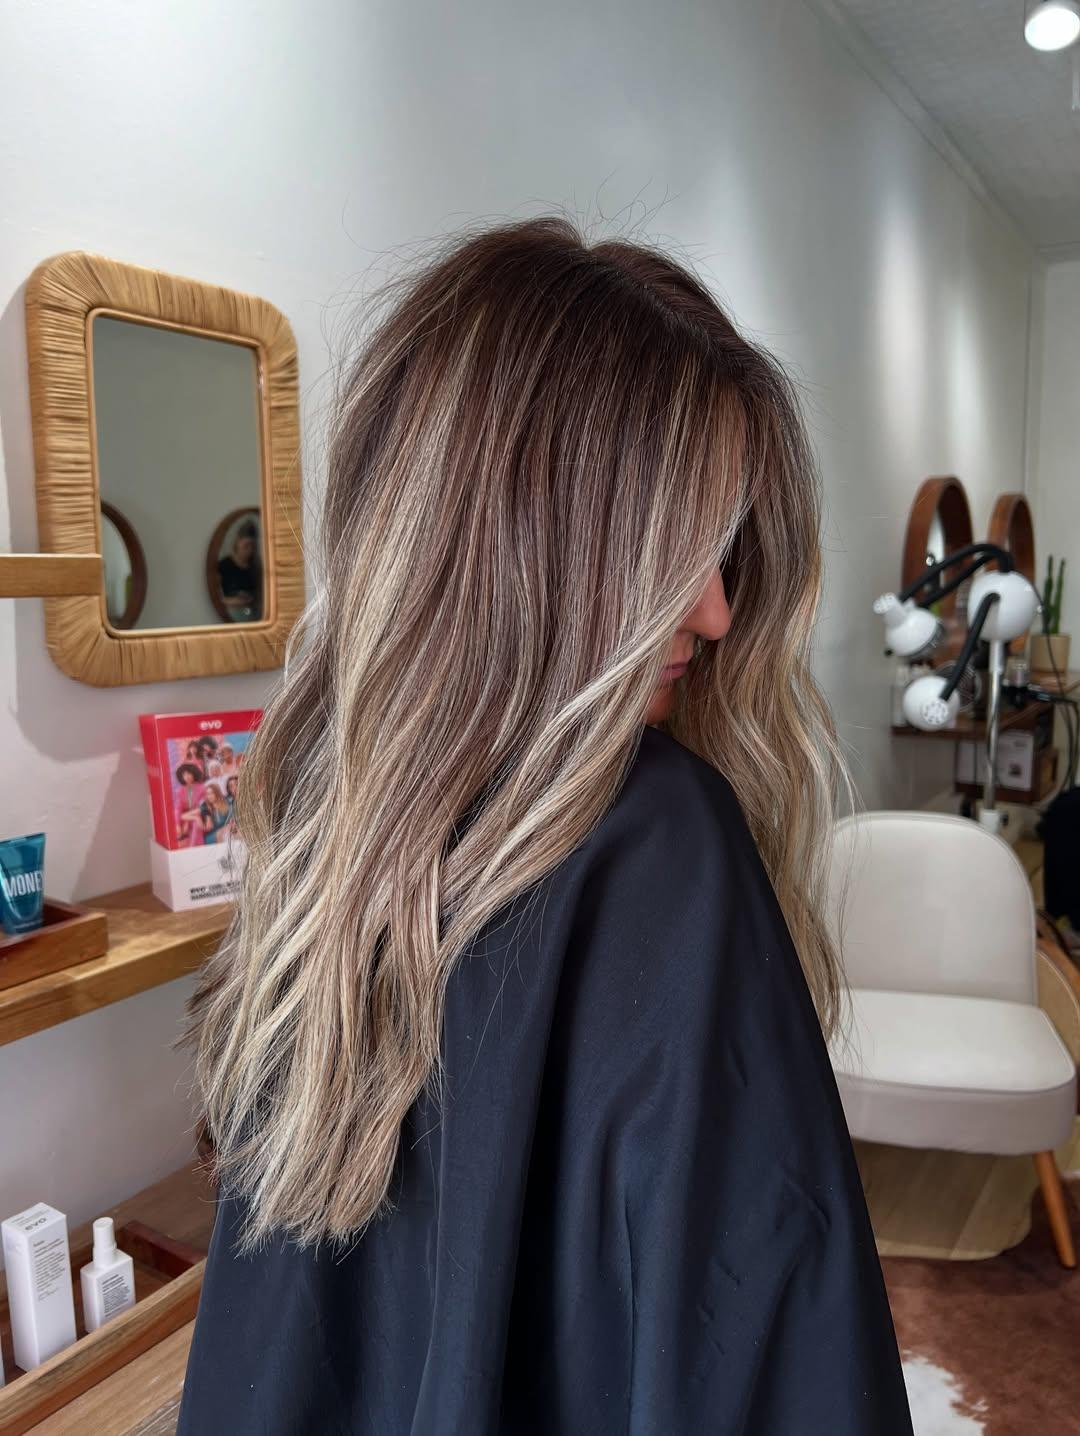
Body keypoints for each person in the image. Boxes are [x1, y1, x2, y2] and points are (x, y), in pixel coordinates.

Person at [178, 219, 912, 1435]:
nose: (718, 610)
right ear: (521, 541)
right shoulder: (660, 840)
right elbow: (770, 1356)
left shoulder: (329, 827)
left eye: (725, 547)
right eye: (670, 548)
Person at [216, 519, 262, 621]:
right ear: (237, 542)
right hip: (230, 614)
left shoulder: (255, 568)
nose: (249, 550)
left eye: (252, 546)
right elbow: (216, 598)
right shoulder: (222, 566)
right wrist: (235, 601)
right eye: (246, 546)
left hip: (252, 615)